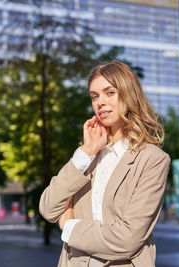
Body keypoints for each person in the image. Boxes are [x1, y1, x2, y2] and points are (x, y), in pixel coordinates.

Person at [39, 61, 170, 267]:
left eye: (109, 93)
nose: (100, 102)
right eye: (95, 96)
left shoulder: (152, 159)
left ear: (128, 95)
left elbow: (128, 239)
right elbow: (48, 208)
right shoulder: (87, 156)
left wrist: (70, 226)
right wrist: (86, 152)